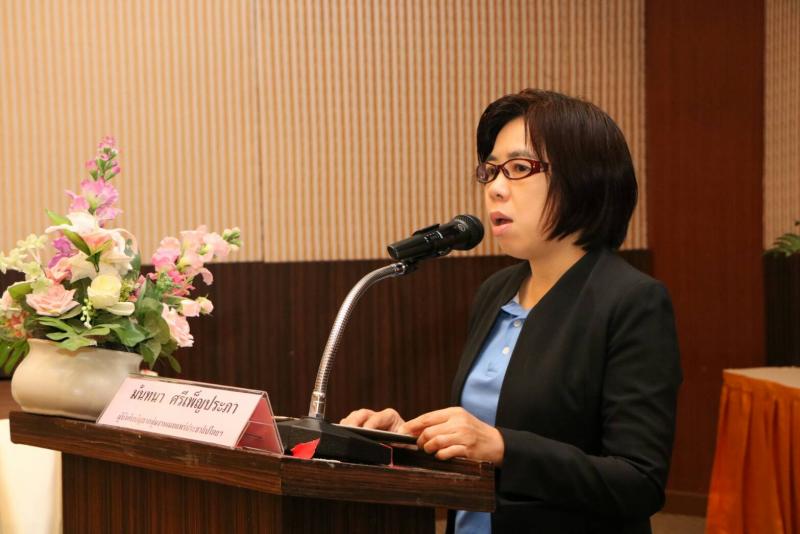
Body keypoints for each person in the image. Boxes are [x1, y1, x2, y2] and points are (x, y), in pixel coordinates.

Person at [341, 89, 682, 534]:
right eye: (490, 171)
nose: (495, 188)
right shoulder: (496, 291)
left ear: (584, 177)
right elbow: (483, 443)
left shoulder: (632, 302)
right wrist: (406, 440)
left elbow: (638, 482)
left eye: (519, 169)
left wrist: (503, 447)